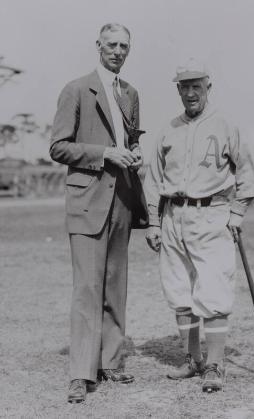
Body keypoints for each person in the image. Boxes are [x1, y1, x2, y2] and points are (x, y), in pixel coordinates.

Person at [144, 58, 254, 393]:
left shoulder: (227, 123)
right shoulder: (169, 128)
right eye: (185, 86)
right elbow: (153, 179)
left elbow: (249, 173)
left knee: (213, 290)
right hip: (173, 217)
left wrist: (237, 213)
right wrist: (153, 222)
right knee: (179, 291)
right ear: (178, 89)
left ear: (208, 87)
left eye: (197, 85)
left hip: (212, 213)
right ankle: (193, 359)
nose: (191, 92)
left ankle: (215, 364)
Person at [50, 23, 148, 403]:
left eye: (124, 45)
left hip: (122, 200)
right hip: (88, 200)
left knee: (115, 286)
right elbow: (58, 147)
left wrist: (134, 155)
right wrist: (105, 153)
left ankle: (109, 362)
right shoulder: (76, 89)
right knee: (87, 289)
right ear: (98, 46)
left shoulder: (131, 93)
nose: (118, 51)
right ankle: (81, 372)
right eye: (111, 45)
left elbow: (132, 139)